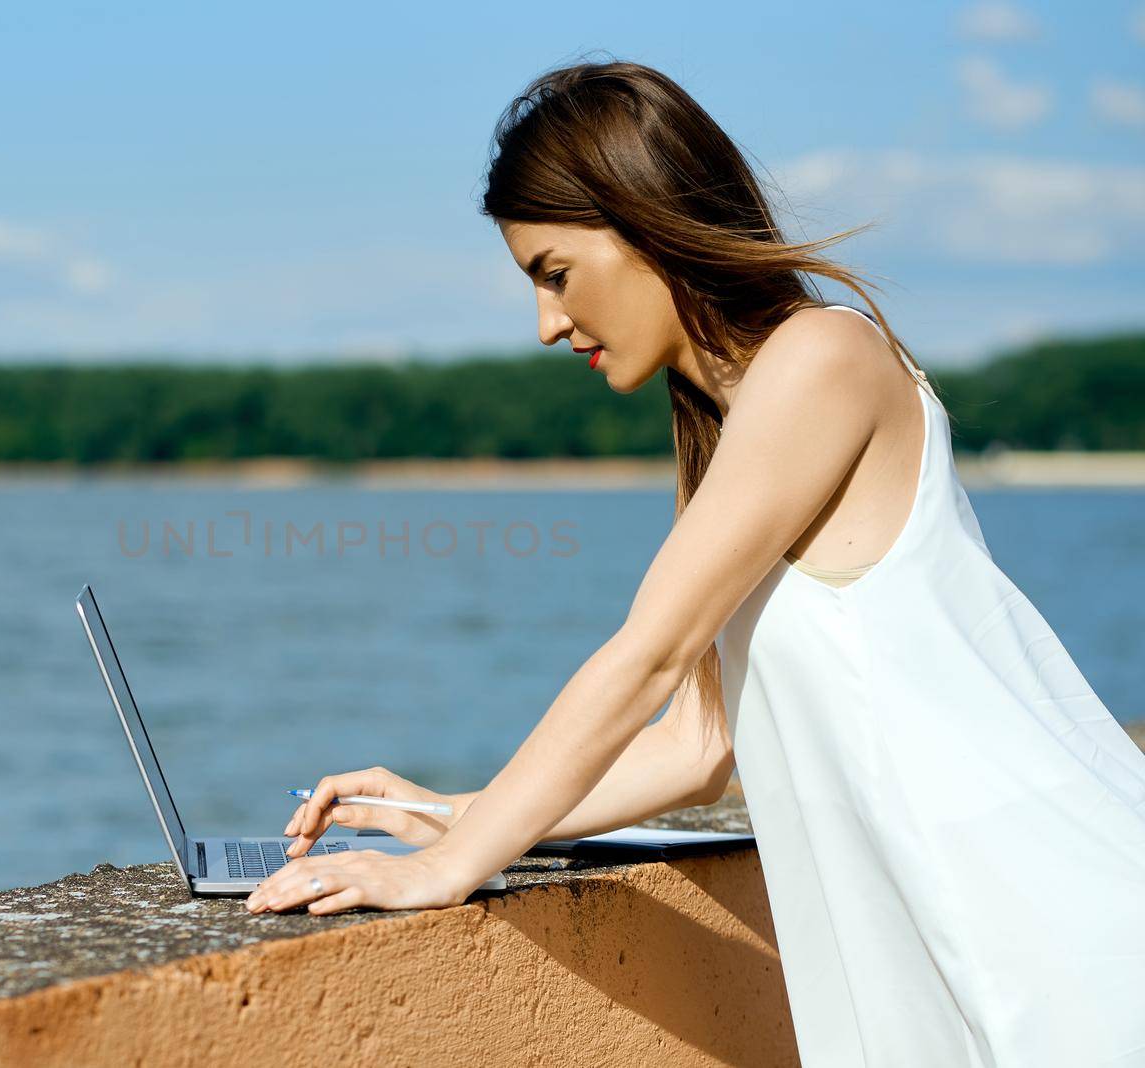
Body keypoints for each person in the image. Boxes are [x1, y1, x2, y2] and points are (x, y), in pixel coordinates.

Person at [243, 58, 1145, 1065]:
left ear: (643, 222)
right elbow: (697, 744)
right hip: (960, 944)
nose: (545, 324)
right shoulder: (732, 430)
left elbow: (650, 653)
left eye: (553, 273)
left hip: (1050, 928)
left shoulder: (822, 359)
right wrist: (454, 813)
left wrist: (454, 865)